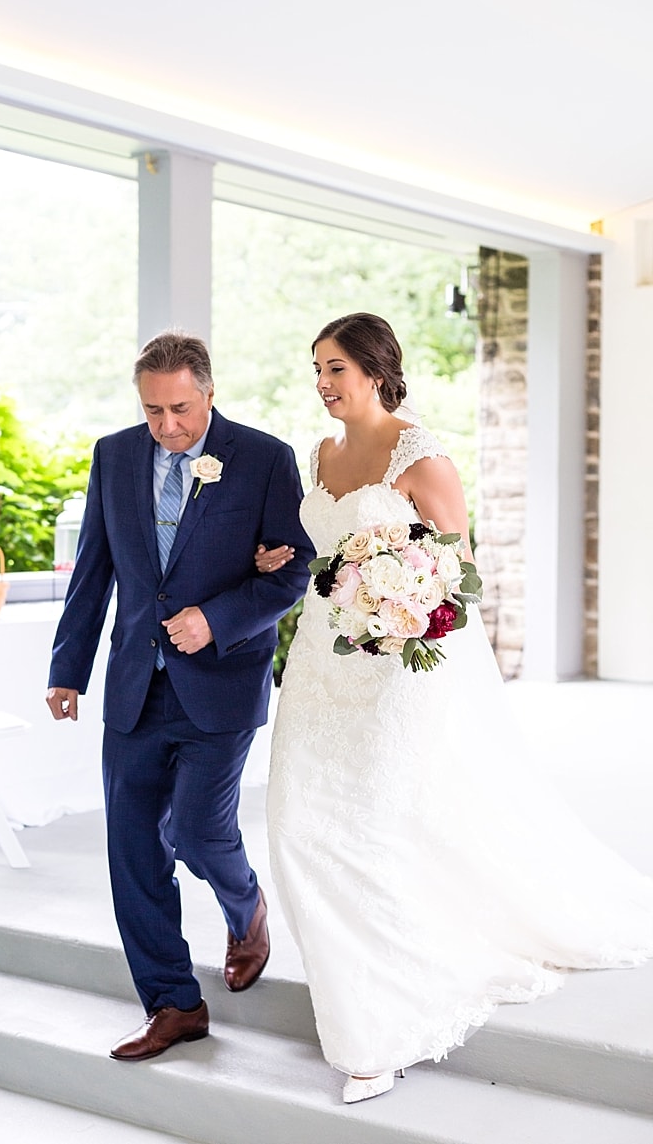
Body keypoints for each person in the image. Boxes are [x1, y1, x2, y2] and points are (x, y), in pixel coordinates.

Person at [259, 311, 653, 1105]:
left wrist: (394, 607)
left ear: (375, 369)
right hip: (319, 661)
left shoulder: (421, 452)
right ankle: (360, 987)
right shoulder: (323, 454)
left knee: (366, 823)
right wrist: (293, 555)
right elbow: (333, 547)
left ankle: (378, 1027)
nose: (323, 384)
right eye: (317, 369)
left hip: (397, 660)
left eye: (336, 368)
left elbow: (457, 569)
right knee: (294, 820)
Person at [46, 331, 314, 1060]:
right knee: (132, 847)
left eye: (181, 409)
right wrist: (66, 667)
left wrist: (215, 619)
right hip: (134, 685)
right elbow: (94, 571)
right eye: (154, 409)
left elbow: (292, 573)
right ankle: (172, 1002)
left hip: (220, 684)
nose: (167, 426)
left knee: (198, 831)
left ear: (210, 391)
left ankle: (246, 905)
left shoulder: (264, 459)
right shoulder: (114, 454)